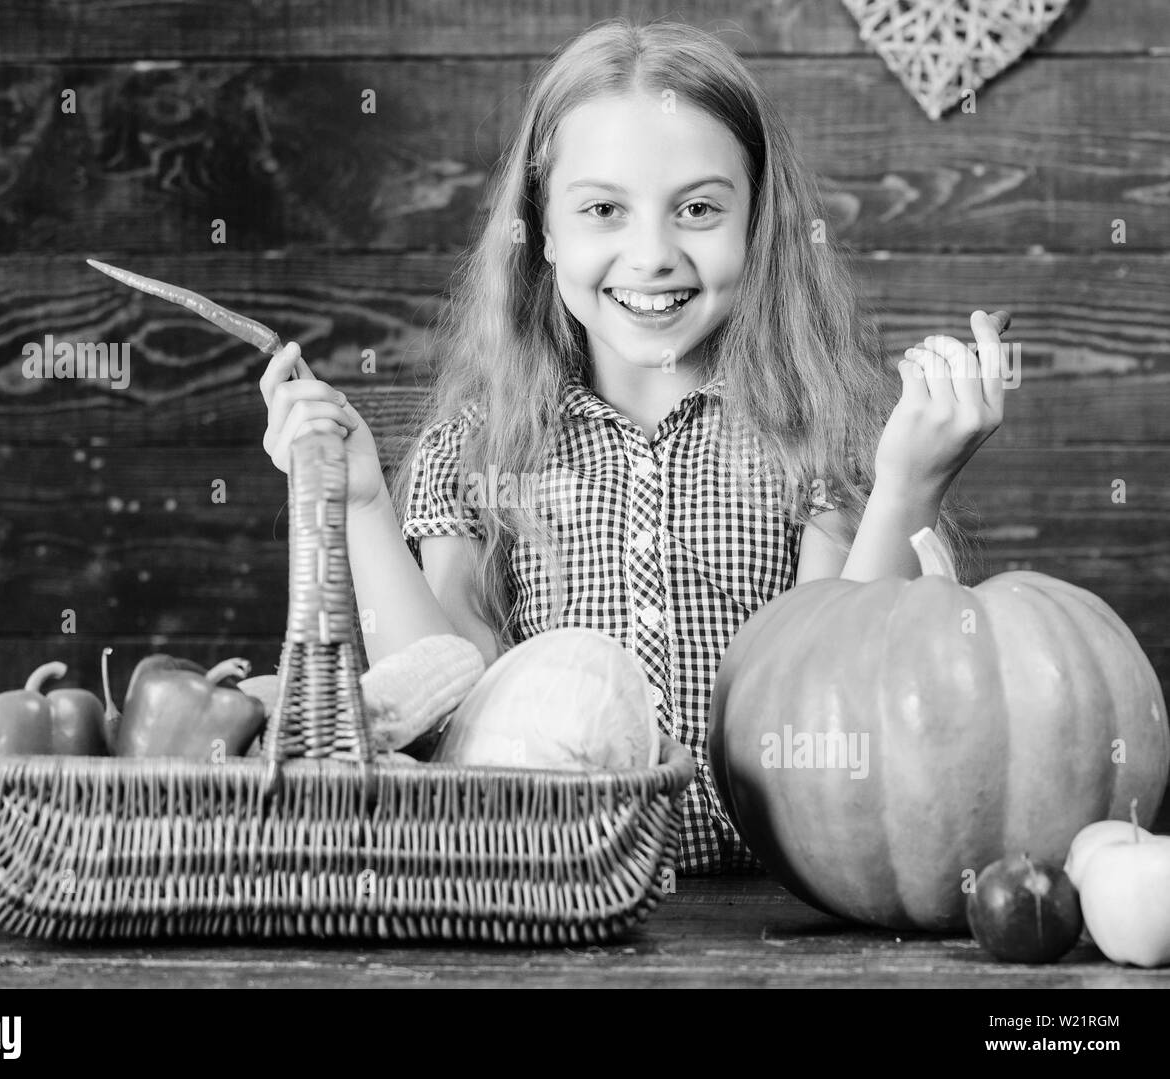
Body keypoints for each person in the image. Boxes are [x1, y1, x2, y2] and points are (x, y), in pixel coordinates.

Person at [258, 19, 1009, 874]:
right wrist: (359, 504)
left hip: (779, 908)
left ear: (758, 224)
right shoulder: (481, 450)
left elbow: (836, 696)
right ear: (542, 233)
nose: (652, 256)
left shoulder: (819, 433)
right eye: (604, 209)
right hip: (555, 892)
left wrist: (906, 488)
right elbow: (449, 706)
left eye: (697, 208)